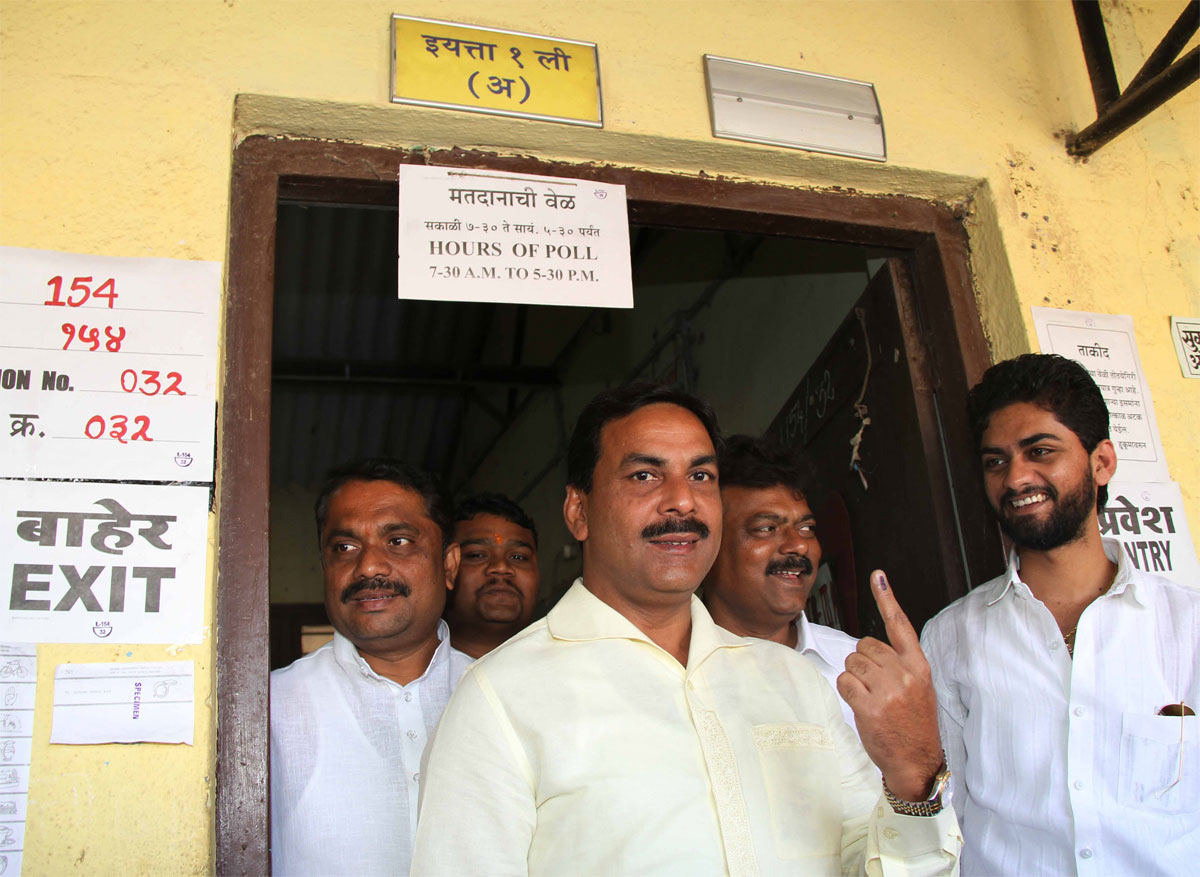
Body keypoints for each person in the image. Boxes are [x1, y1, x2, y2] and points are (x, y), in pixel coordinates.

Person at [412, 384, 960, 875]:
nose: (682, 500)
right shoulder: (500, 696)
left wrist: (914, 779)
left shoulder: (793, 681)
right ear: (578, 512)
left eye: (701, 476)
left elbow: (874, 864)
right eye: (645, 475)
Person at [920, 354, 1200, 875]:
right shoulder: (950, 638)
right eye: (995, 461)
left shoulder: (1188, 625)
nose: (1016, 478)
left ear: (1102, 463)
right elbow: (943, 817)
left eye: (1040, 451)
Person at [269, 458, 471, 876]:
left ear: (449, 565)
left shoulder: (504, 694)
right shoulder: (270, 709)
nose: (368, 567)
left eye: (398, 541)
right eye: (344, 548)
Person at [704, 434, 863, 735]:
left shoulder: (855, 666)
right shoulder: (667, 673)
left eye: (807, 528)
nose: (798, 546)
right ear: (707, 548)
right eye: (766, 528)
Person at [446, 492, 541, 658]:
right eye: (477, 555)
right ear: (446, 567)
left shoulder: (571, 671)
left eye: (518, 557)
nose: (501, 567)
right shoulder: (402, 674)